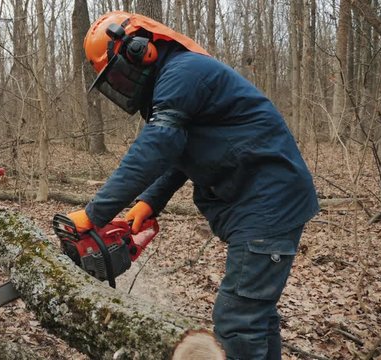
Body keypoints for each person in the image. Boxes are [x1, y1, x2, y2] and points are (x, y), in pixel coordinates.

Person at [67, 11, 319, 360]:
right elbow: (177, 153)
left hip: (269, 203)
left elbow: (159, 144)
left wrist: (96, 213)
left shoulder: (184, 72)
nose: (122, 84)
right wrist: (148, 203)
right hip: (262, 199)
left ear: (142, 50)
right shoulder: (179, 78)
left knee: (236, 322)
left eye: (120, 74)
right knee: (257, 318)